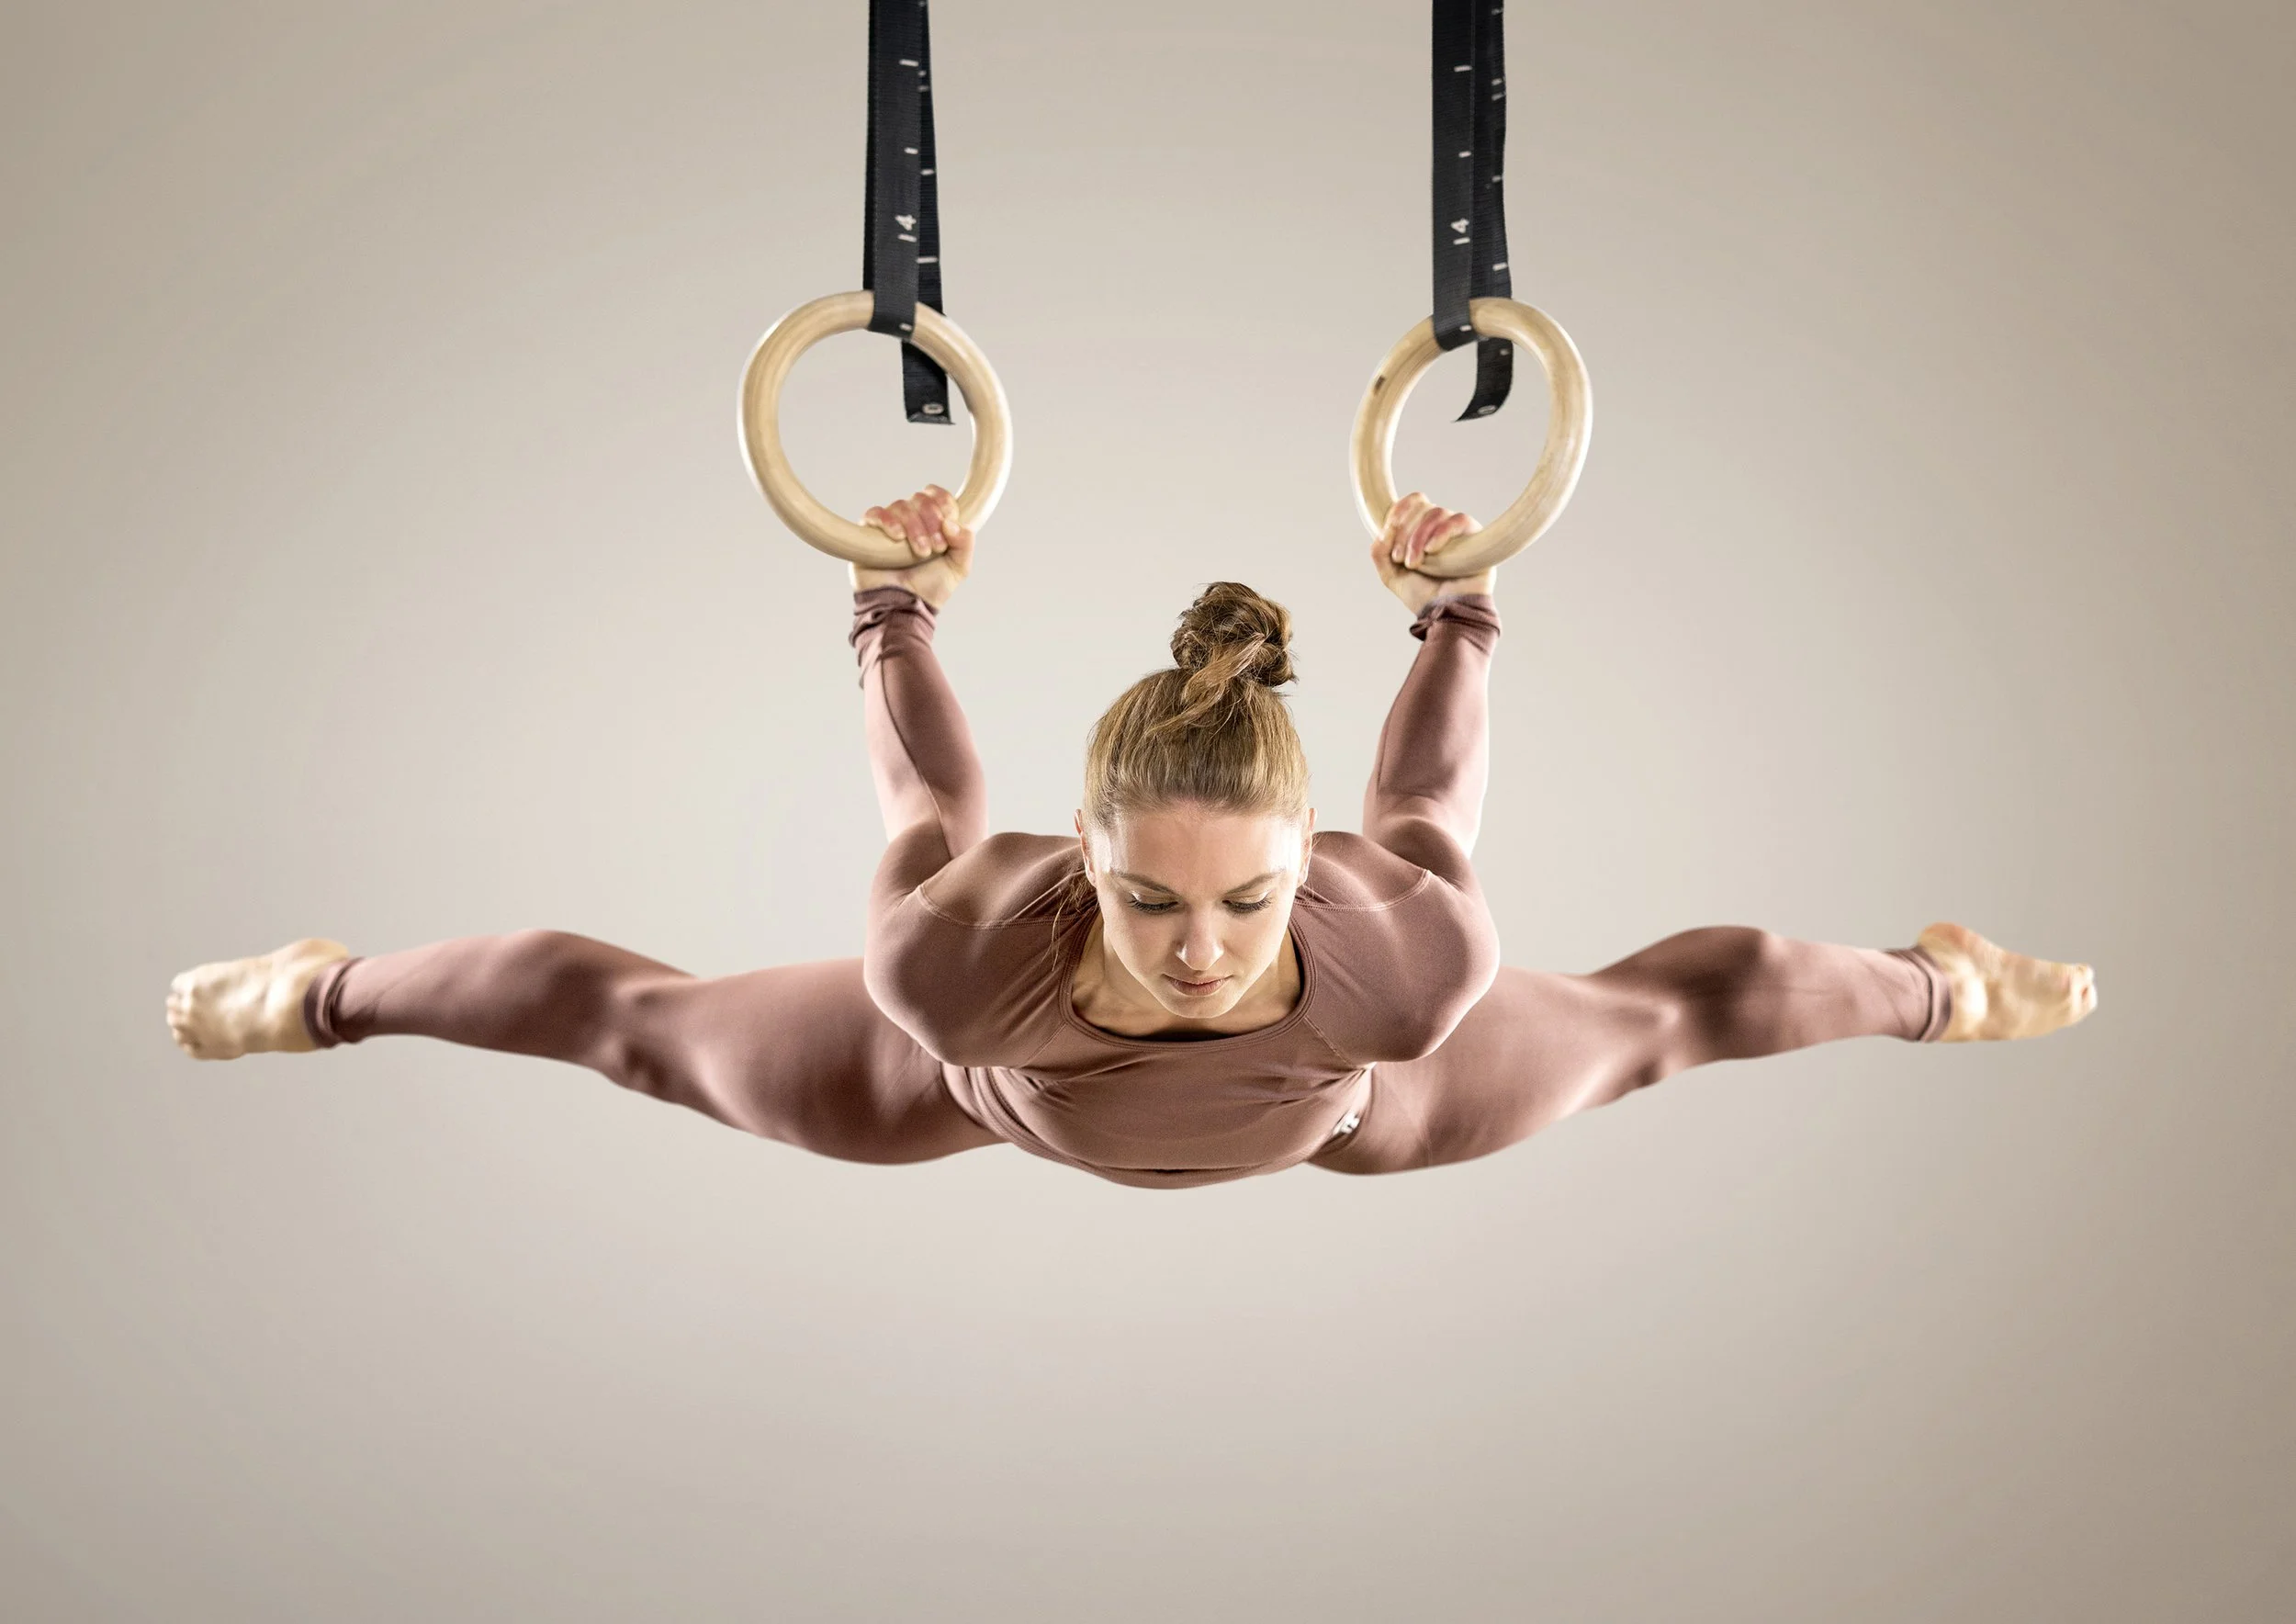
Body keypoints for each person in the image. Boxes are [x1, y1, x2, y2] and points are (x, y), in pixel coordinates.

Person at [165, 486, 2097, 1188]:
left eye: (1248, 897)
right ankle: (317, 988)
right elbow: (929, 799)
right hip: (981, 1090)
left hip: (1350, 1106)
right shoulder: (954, 961)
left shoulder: (1398, 967)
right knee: (621, 1014)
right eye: (1151, 897)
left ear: (1302, 871)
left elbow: (1418, 803)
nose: (1198, 945)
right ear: (1080, 869)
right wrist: (888, 604)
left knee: (1712, 996)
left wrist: (1464, 609)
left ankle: (1944, 982)